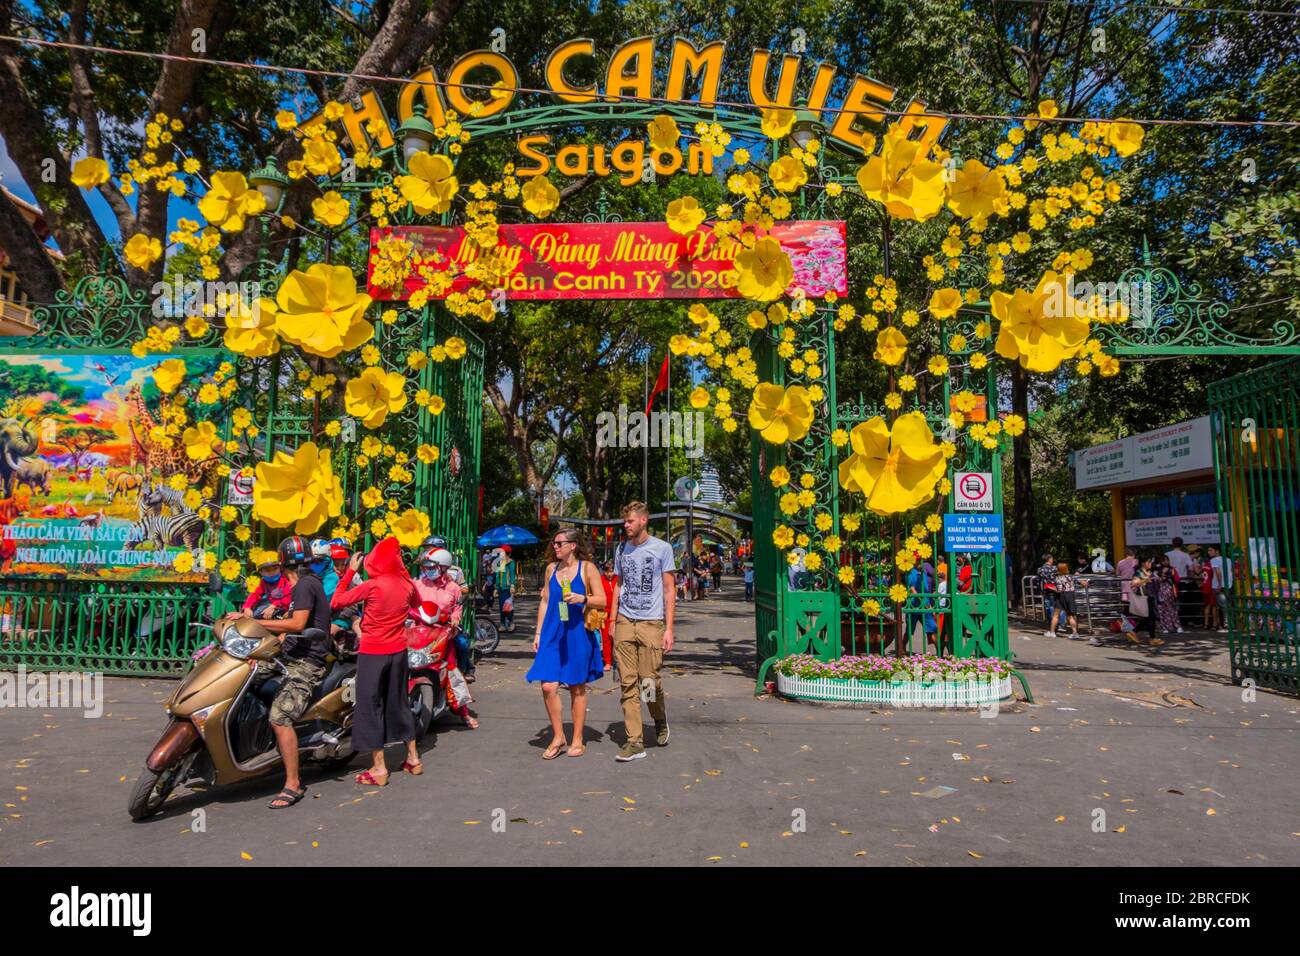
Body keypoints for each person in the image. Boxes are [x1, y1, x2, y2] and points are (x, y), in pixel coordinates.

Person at [235, 536, 332, 809]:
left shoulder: (303, 586)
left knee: (280, 717)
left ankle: (293, 783)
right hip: (288, 653)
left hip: (308, 661)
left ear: (281, 562)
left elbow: (299, 623)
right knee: (241, 675)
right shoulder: (298, 585)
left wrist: (253, 619)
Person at [331, 537, 422, 786]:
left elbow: (336, 601)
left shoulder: (372, 585)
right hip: (399, 651)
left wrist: (350, 571)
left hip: (373, 651)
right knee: (400, 702)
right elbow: (417, 604)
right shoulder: (406, 585)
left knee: (370, 705)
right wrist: (402, 571)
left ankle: (379, 768)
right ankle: (413, 758)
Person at [527, 530, 605, 758]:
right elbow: (545, 601)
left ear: (572, 545)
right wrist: (538, 632)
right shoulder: (551, 569)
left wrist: (583, 599)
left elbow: (602, 599)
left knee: (576, 686)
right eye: (554, 542)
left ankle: (578, 739)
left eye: (560, 543)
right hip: (552, 633)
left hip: (577, 633)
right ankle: (559, 735)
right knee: (548, 686)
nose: (555, 546)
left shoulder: (587, 568)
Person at [610, 501, 675, 762]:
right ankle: (634, 741)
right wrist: (613, 621)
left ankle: (658, 717)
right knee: (628, 683)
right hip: (626, 620)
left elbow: (670, 591)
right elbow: (618, 585)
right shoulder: (621, 549)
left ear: (644, 520)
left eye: (630, 521)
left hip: (651, 623)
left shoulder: (662, 549)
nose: (626, 525)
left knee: (648, 681)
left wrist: (669, 628)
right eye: (625, 521)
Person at [413, 547, 477, 729]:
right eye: (425, 567)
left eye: (431, 567)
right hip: (418, 632)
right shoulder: (418, 584)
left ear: (443, 567)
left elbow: (457, 609)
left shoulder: (453, 588)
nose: (427, 570)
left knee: (452, 671)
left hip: (443, 634)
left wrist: (455, 621)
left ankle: (463, 713)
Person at [1128, 557, 1165, 647]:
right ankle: (1152, 638)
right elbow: (1133, 584)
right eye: (1148, 562)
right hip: (1145, 598)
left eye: (1151, 562)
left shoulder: (1149, 572)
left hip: (1151, 597)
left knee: (1148, 618)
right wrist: (1145, 580)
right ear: (1142, 563)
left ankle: (1133, 632)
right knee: (1150, 618)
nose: (1150, 564)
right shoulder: (1139, 572)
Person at [1046, 561, 1089, 639]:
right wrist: (1084, 582)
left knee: (1056, 615)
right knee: (1070, 615)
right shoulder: (1071, 577)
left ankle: (1052, 632)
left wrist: (1052, 588)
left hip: (1061, 596)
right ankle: (1075, 633)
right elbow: (1081, 582)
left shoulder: (1057, 578)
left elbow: (1058, 590)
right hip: (1071, 595)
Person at [243, 554, 292, 618]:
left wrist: (273, 606)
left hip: (285, 606)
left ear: (280, 568)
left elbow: (289, 596)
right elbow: (256, 594)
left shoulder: (285, 580)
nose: (272, 572)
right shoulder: (264, 582)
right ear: (261, 573)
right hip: (272, 606)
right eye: (267, 570)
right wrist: (247, 607)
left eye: (275, 568)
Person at [1156, 555, 1183, 634]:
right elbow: (1155, 580)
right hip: (1161, 591)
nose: (1165, 562)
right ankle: (1165, 627)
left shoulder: (1172, 569)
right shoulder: (1157, 570)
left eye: (1167, 560)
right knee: (1162, 609)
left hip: (1170, 590)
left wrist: (1171, 575)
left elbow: (1177, 580)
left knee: (1172, 608)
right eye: (1163, 560)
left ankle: (1176, 626)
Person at [598, 560, 617, 671]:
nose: (610, 574)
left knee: (618, 637)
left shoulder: (618, 579)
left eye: (612, 571)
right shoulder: (600, 581)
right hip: (604, 613)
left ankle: (618, 660)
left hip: (618, 613)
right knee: (606, 638)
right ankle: (608, 661)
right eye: (607, 571)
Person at [1208, 545, 1231, 632]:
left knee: (1223, 605)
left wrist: (1219, 585)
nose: (1209, 552)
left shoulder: (1214, 560)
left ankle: (1227, 625)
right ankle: (1227, 624)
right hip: (1228, 584)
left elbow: (1218, 572)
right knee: (1226, 604)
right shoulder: (1228, 559)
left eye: (1211, 550)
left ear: (1217, 551)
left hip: (1218, 585)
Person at [494, 544, 517, 632]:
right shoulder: (500, 562)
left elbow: (512, 575)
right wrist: (496, 587)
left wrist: (512, 585)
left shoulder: (511, 563)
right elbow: (497, 575)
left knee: (507, 607)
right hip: (500, 588)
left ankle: (511, 623)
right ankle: (503, 624)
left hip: (507, 588)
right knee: (501, 607)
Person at [1037, 553, 1058, 628]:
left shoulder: (1040, 569)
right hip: (1054, 589)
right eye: (1052, 558)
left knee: (1048, 607)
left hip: (1046, 590)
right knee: (1054, 607)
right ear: (1049, 559)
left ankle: (1050, 624)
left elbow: (1039, 580)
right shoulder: (1055, 568)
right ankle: (1056, 624)